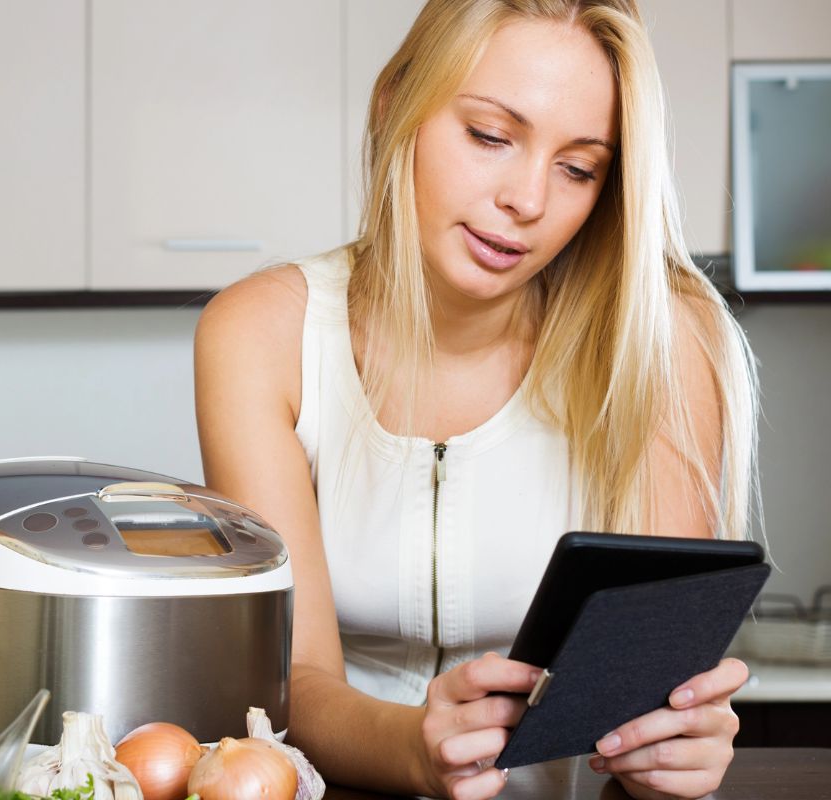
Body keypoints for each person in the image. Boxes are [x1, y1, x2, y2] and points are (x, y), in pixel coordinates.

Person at [193, 1, 759, 799]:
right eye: (491, 136)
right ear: (396, 107)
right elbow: (297, 682)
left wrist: (674, 751)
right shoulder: (259, 332)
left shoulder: (663, 338)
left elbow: (652, 692)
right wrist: (416, 748)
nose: (528, 199)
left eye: (579, 167)